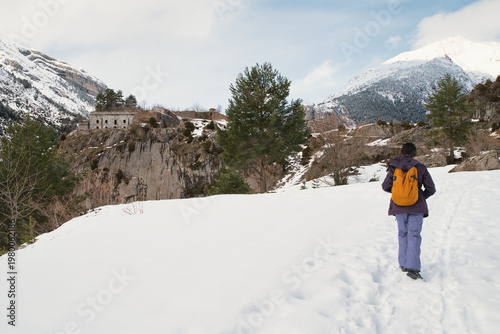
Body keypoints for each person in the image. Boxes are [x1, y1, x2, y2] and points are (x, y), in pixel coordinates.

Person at [382, 143, 436, 280]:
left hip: (399, 206)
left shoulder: (394, 166)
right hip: (416, 206)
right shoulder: (420, 167)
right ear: (414, 153)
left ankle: (403, 263)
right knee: (414, 234)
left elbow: (385, 186)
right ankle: (413, 268)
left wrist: (399, 194)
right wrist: (420, 196)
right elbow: (431, 188)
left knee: (402, 234)